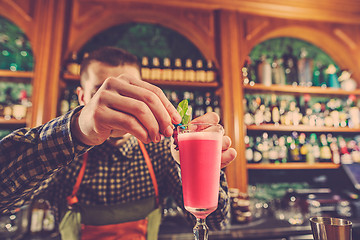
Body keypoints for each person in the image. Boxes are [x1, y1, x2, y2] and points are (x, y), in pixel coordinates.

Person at [0, 47, 237, 239]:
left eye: (128, 92)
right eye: (103, 92)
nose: (118, 105)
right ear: (82, 97)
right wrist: (76, 130)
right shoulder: (62, 155)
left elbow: (214, 223)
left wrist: (195, 165)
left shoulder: (162, 152)